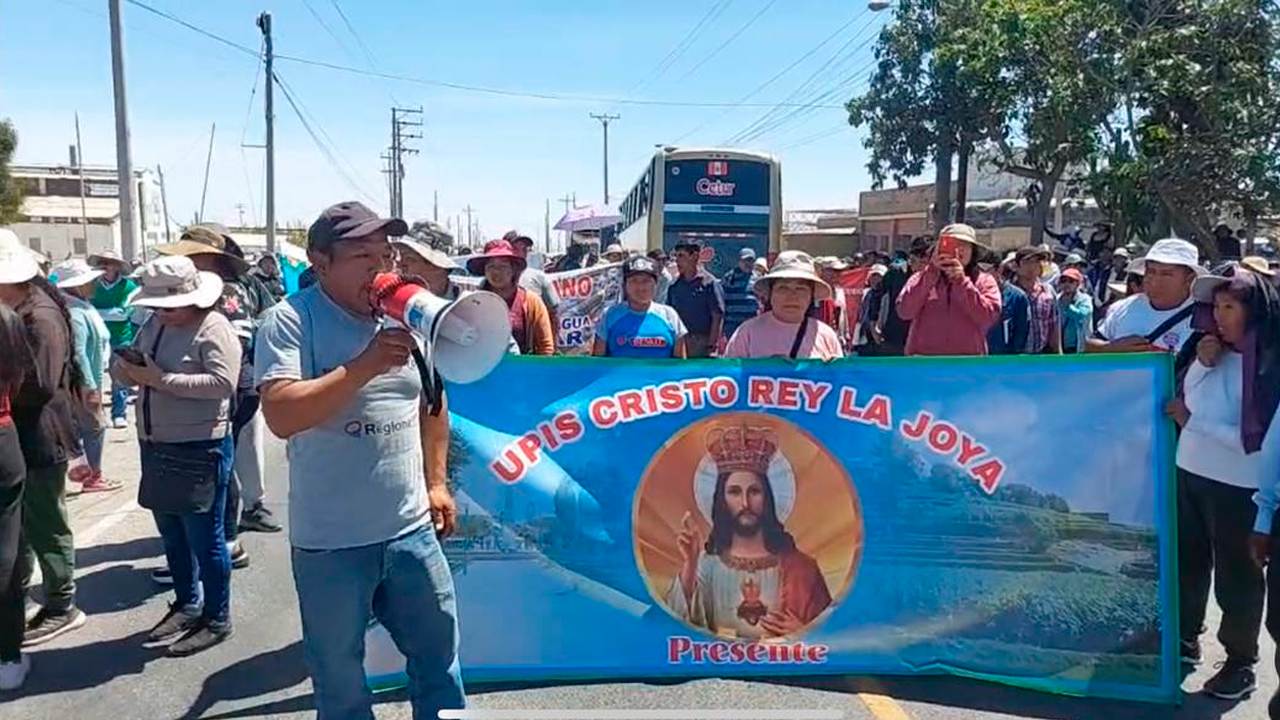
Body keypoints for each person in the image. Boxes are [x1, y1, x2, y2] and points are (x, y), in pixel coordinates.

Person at [255, 201, 465, 719]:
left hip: (410, 530)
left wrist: (437, 482)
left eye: (386, 254)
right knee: (340, 680)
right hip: (331, 543)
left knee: (439, 662)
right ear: (320, 261)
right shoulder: (291, 320)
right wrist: (364, 366)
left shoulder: (406, 315)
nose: (380, 268)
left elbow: (433, 405)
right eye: (362, 256)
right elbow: (281, 413)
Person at [110, 256, 241, 655]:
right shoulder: (155, 324)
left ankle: (216, 618)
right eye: (155, 305)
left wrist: (159, 380)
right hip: (157, 443)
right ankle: (187, 604)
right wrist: (125, 370)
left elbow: (223, 383)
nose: (160, 312)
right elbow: (129, 368)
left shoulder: (214, 327)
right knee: (172, 533)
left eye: (168, 306)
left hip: (199, 446)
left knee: (206, 539)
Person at [1168, 270, 1280, 699]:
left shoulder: (1270, 363)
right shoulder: (1206, 349)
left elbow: (1258, 443)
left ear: (1255, 311)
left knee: (1237, 577)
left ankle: (1240, 662)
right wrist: (1201, 363)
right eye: (1215, 306)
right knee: (1187, 563)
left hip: (1239, 487)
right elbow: (1185, 400)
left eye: (1229, 307)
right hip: (1190, 474)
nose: (1219, 316)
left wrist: (1193, 422)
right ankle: (1185, 638)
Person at [0, 229, 85, 647]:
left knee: (46, 523)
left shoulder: (40, 317)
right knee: (27, 525)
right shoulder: (24, 307)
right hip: (26, 430)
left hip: (39, 431)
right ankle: (31, 596)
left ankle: (61, 603)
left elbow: (42, 383)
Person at [667, 424, 832, 639]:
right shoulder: (706, 566)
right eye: (734, 492)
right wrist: (690, 565)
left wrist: (804, 632)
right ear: (722, 500)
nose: (745, 503)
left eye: (754, 491)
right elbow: (670, 632)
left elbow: (833, 639)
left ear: (767, 498)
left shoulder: (802, 570)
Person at [52, 259, 120, 493]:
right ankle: (91, 476)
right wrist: (89, 387)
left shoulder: (81, 305)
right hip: (83, 382)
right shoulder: (75, 312)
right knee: (93, 427)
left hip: (86, 378)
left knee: (86, 428)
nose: (95, 284)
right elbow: (78, 353)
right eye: (90, 281)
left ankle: (84, 473)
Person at [896, 224, 1001, 356]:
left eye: (964, 245)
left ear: (973, 251)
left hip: (967, 362)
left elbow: (988, 317)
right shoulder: (919, 278)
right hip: (924, 361)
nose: (957, 250)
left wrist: (961, 282)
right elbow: (904, 311)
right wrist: (931, 273)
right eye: (951, 244)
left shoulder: (984, 281)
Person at [1090, 238, 1201, 356]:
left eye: (1166, 274)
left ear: (1189, 279)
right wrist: (1109, 348)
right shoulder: (1123, 307)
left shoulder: (1203, 320)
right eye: (1151, 271)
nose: (1154, 280)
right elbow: (1086, 346)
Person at [724, 251, 844, 361]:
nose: (792, 296)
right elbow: (730, 374)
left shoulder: (826, 335)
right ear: (770, 293)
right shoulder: (746, 333)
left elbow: (841, 376)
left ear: (811, 296)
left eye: (801, 289)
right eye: (783, 288)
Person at [0, 304, 33, 689]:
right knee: (5, 550)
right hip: (3, 433)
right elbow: (20, 379)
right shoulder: (6, 318)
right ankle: (7, 655)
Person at [467, 239, 555, 356]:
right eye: (491, 266)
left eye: (503, 266)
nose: (496, 272)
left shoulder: (531, 301)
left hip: (521, 366)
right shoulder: (473, 302)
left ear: (513, 270)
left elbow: (546, 348)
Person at [592, 256, 687, 359]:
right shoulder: (609, 315)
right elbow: (597, 362)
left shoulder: (670, 316)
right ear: (625, 285)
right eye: (634, 281)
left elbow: (681, 364)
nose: (640, 287)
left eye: (646, 281)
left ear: (656, 284)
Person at [88, 250, 137, 429]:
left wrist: (97, 313)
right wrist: (107, 312)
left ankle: (119, 413)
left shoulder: (129, 286)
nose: (105, 266)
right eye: (102, 262)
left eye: (109, 262)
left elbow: (124, 314)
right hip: (95, 336)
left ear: (117, 266)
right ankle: (98, 413)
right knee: (95, 375)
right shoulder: (92, 285)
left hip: (121, 337)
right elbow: (86, 308)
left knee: (119, 376)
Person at [667, 240, 725, 358]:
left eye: (681, 256)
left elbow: (717, 315)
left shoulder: (709, 283)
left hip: (702, 342)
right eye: (676, 256)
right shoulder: (674, 286)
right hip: (679, 342)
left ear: (694, 256)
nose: (677, 261)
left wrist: (712, 346)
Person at [877, 239, 929, 356]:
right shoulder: (896, 272)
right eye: (916, 260)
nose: (921, 266)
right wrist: (874, 323)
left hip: (921, 338)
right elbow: (878, 294)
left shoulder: (934, 277)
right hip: (894, 335)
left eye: (925, 262)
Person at [504, 232, 561, 327]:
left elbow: (554, 314)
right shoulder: (491, 281)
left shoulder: (540, 278)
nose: (521, 253)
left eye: (524, 249)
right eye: (515, 249)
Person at [1013, 245, 1062, 354]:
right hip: (1015, 357)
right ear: (1017, 266)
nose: (1032, 266)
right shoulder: (1010, 293)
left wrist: (1058, 354)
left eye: (1036, 262)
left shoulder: (1048, 292)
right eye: (1027, 262)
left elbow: (1054, 326)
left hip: (1041, 355)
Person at [985, 252, 1030, 355]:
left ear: (999, 269)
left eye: (987, 270)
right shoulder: (975, 294)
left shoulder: (1018, 297)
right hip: (980, 358)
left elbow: (1021, 334)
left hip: (1006, 359)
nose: (982, 275)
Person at [395, 237, 463, 299]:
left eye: (409, 259)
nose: (399, 266)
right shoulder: (397, 301)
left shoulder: (465, 304)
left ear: (437, 267)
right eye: (400, 257)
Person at [721, 248, 761, 341]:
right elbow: (721, 298)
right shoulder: (729, 277)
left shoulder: (758, 278)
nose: (748, 263)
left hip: (751, 321)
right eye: (745, 260)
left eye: (751, 261)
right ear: (739, 262)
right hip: (732, 323)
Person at [853, 264, 888, 355]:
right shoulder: (865, 293)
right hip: (864, 339)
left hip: (880, 338)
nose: (876, 280)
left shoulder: (887, 296)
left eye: (879, 277)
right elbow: (860, 316)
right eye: (873, 276)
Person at [1057, 268, 1094, 354]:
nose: (1066, 284)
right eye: (1063, 281)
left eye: (1071, 281)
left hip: (1078, 346)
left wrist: (1068, 306)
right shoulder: (1056, 299)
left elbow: (1083, 315)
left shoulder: (1085, 299)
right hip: (1060, 346)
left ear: (1077, 284)